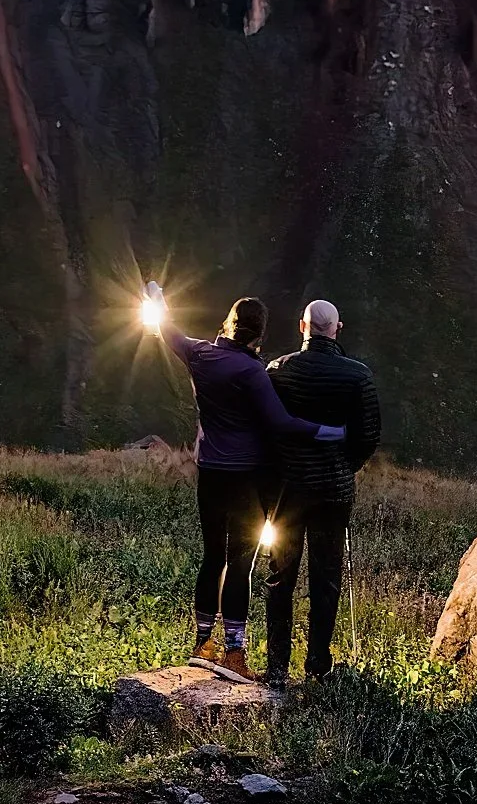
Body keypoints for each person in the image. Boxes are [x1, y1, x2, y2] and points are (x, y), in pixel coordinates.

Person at [145, 283, 345, 676]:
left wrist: (156, 297)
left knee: (211, 557)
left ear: (229, 323)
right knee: (240, 564)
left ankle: (203, 644)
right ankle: (234, 654)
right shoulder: (253, 371)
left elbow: (166, 329)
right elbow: (281, 423)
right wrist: (334, 432)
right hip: (244, 479)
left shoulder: (198, 353)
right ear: (260, 334)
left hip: (209, 473)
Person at [263, 298, 381, 682]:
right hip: (334, 490)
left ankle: (277, 666)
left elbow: (266, 428)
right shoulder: (358, 376)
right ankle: (317, 664)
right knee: (326, 577)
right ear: (337, 329)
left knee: (280, 575)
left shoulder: (277, 371)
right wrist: (345, 466)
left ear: (302, 327)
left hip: (286, 490)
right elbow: (368, 436)